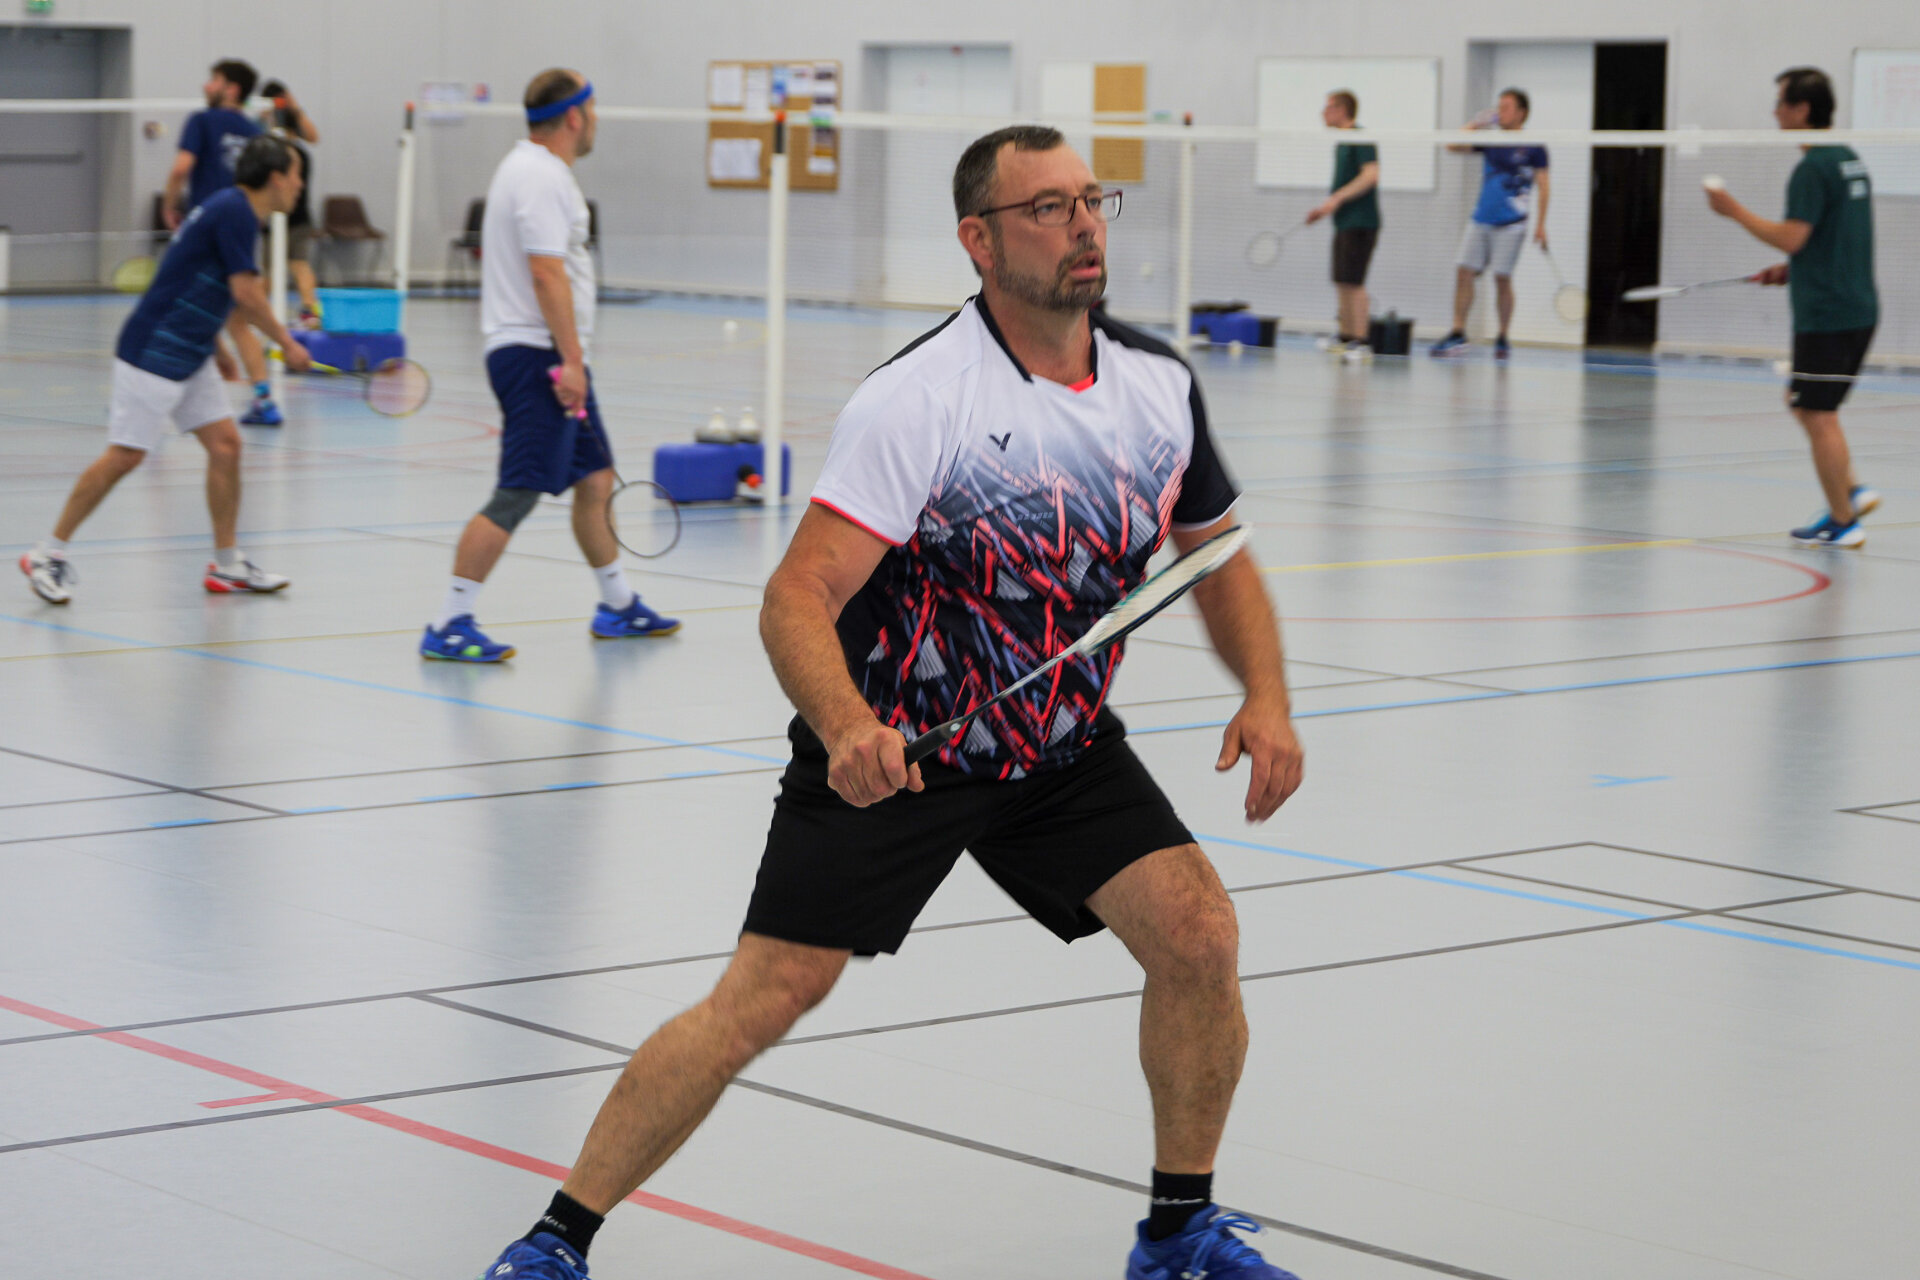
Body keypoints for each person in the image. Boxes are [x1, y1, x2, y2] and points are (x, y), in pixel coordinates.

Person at [476, 125, 1309, 1280]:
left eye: (1091, 200)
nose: (1083, 226)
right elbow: (796, 595)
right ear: (979, 240)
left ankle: (1177, 1232)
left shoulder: (1157, 384)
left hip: (1057, 747)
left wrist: (1266, 694)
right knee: (769, 992)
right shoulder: (921, 399)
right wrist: (846, 726)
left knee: (1201, 934)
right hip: (901, 746)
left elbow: (1216, 553)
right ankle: (555, 1237)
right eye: (1047, 208)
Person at [420, 69, 677, 662]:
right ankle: (449, 621)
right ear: (575, 117)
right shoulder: (539, 176)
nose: (596, 122)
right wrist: (572, 362)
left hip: (550, 352)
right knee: (517, 492)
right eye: (594, 111)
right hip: (538, 356)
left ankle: (617, 605)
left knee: (596, 478)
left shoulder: (534, 170)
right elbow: (546, 273)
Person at [20, 136, 312, 605]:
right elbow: (246, 294)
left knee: (226, 445)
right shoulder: (236, 211)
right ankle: (45, 554)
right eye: (296, 175)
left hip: (190, 352)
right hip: (153, 350)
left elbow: (189, 276)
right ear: (276, 178)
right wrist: (288, 343)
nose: (300, 185)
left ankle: (227, 564)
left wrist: (216, 344)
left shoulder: (232, 209)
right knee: (125, 456)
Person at [1707, 67, 1880, 547]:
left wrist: (1732, 210)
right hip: (1857, 307)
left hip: (1828, 314)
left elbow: (1792, 236)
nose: (1775, 112)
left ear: (1802, 111)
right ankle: (1851, 490)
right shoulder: (1848, 158)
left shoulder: (1812, 168)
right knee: (1801, 402)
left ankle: (1844, 521)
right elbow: (1831, 237)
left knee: (1819, 414)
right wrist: (1793, 269)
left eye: (1781, 103)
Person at [165, 59, 282, 426]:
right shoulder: (254, 131)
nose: (206, 86)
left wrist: (170, 205)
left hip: (205, 232)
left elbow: (181, 168)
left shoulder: (201, 121)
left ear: (231, 89)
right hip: (242, 232)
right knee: (238, 322)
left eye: (214, 80)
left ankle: (155, 396)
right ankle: (264, 399)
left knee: (173, 310)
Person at [1431, 89, 1549, 359]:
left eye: (1506, 107)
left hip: (1512, 223)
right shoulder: (1491, 140)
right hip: (1481, 219)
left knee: (1502, 278)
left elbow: (1544, 185)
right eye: (1499, 106)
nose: (1500, 112)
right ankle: (1458, 332)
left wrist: (1541, 225)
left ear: (1521, 113)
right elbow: (1451, 145)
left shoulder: (1534, 146)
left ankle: (1503, 337)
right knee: (1464, 272)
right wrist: (1476, 124)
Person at [1305, 89, 1380, 356]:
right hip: (1344, 221)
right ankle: (1346, 337)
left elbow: (1371, 175)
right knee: (1342, 280)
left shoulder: (1360, 138)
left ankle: (1362, 341)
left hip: (1361, 222)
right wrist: (1325, 209)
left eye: (1328, 107)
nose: (1323, 113)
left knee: (1355, 282)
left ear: (1341, 110)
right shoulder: (1341, 142)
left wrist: (1337, 198)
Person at [258, 79, 324, 329]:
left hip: (295, 215)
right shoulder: (266, 134)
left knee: (293, 265)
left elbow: (313, 136)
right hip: (277, 214)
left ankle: (310, 311)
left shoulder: (287, 148)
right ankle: (263, 313)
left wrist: (294, 108)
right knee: (279, 268)